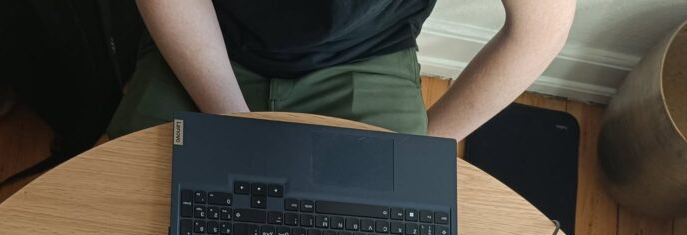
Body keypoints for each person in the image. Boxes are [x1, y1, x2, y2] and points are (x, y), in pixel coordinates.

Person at [108, 0, 576, 141]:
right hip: (205, 42)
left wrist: (430, 148)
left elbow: (540, 29)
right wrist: (234, 125)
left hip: (366, 61)